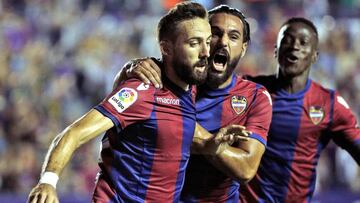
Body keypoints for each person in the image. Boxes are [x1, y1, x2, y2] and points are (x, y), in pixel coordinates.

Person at [27, 2, 241, 203]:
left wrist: (211, 145)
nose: (205, 52)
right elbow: (74, 133)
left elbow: (174, 141)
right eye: (194, 43)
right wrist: (48, 182)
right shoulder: (142, 91)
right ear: (166, 48)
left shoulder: (190, 88)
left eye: (206, 41)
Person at [115, 5, 273, 202]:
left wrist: (187, 129)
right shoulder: (165, 76)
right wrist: (127, 71)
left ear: (243, 48)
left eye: (233, 37)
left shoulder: (255, 97)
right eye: (215, 33)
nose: (223, 42)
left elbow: (246, 169)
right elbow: (119, 115)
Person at [239, 17, 360, 203]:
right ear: (276, 50)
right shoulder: (249, 90)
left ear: (315, 55)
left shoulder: (328, 103)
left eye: (303, 42)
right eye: (287, 40)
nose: (294, 46)